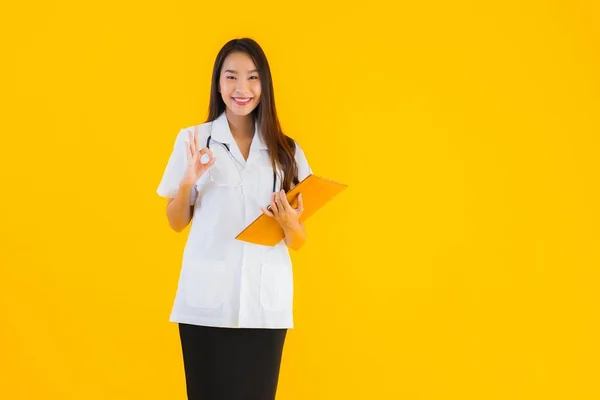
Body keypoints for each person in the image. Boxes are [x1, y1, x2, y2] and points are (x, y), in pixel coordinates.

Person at [156, 38, 312, 400]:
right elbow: (176, 222)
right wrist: (187, 182)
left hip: (264, 305)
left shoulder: (287, 152)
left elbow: (299, 240)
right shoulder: (194, 139)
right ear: (218, 83)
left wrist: (289, 223)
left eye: (253, 78)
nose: (242, 89)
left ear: (264, 85)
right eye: (231, 77)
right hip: (206, 303)